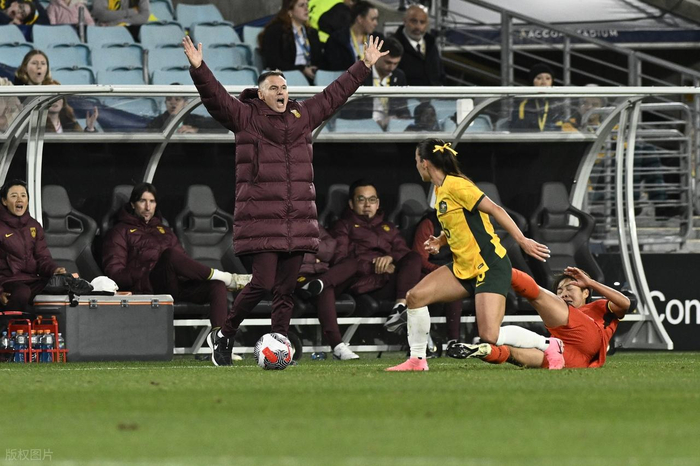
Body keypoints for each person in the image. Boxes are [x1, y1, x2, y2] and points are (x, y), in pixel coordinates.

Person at [183, 33, 388, 366]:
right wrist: (199, 68)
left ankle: (279, 347)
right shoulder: (245, 117)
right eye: (274, 88)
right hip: (262, 220)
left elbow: (334, 94)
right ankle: (224, 334)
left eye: (284, 87)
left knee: (285, 291)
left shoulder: (303, 115)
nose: (281, 92)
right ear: (261, 93)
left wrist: (364, 65)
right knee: (262, 283)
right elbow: (216, 98)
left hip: (297, 220)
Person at [385, 139, 550, 371]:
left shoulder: (457, 185)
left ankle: (548, 344)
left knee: (490, 336)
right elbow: (459, 225)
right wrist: (440, 240)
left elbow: (495, 209)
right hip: (463, 266)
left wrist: (522, 240)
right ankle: (417, 361)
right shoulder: (440, 189)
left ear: (424, 163)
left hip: (489, 265)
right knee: (414, 297)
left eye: (416, 161)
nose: (416, 166)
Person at [101, 183, 251, 357]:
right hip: (148, 286)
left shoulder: (164, 231)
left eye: (152, 201)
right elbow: (115, 273)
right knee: (170, 255)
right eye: (142, 201)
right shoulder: (119, 232)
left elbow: (183, 261)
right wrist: (146, 270)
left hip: (173, 284)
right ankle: (228, 278)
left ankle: (220, 345)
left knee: (216, 286)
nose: (148, 207)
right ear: (133, 204)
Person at [449, 267, 633, 369]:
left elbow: (625, 303)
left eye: (570, 288)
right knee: (514, 354)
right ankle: (485, 350)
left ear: (586, 292)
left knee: (536, 296)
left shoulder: (598, 306)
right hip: (577, 361)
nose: (564, 293)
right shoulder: (561, 316)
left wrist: (591, 282)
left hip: (589, 337)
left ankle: (503, 271)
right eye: (559, 291)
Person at [330, 179, 422, 327]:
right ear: (351, 204)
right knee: (418, 285)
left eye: (372, 200)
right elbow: (340, 261)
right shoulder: (343, 226)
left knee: (416, 260)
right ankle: (402, 312)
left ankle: (400, 307)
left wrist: (390, 258)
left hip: (392, 278)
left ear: (377, 204)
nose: (367, 205)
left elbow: (404, 252)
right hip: (367, 282)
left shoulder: (389, 227)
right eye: (361, 200)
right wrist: (376, 267)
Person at [0, 179, 66, 311]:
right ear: (4, 201)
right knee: (23, 292)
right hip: (7, 281)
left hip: (32, 280)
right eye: (14, 196)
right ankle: (10, 323)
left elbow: (43, 258)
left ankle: (49, 323)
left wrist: (55, 270)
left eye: (23, 195)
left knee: (61, 286)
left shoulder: (34, 226)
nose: (19, 199)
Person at [297, 226, 360, 360]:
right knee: (326, 289)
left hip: (322, 274)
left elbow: (329, 251)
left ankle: (320, 283)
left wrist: (307, 246)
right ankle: (337, 346)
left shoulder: (313, 225)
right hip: (299, 276)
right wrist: (315, 250)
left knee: (352, 263)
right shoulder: (281, 227)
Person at [411, 209, 463, 346]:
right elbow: (420, 259)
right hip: (431, 271)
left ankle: (478, 338)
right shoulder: (429, 223)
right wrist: (443, 271)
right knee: (453, 285)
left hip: (458, 270)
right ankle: (453, 340)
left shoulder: (464, 222)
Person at [339, 36, 410, 130]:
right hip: (363, 127)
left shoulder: (399, 76)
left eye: (395, 63)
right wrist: (371, 123)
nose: (391, 68)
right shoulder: (360, 73)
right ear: (378, 55)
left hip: (390, 128)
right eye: (388, 62)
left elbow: (403, 108)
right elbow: (349, 109)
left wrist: (397, 119)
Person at [259, 0, 323, 85]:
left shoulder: (312, 33)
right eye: (301, 5)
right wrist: (302, 69)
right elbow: (273, 61)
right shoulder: (275, 31)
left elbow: (318, 59)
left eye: (307, 5)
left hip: (310, 78)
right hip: (286, 77)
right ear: (289, 10)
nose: (306, 9)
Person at [393, 4, 444, 86]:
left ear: (427, 24)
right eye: (414, 21)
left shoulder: (431, 44)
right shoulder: (394, 44)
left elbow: (440, 73)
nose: (418, 27)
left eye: (422, 22)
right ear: (404, 21)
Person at [509, 63, 566, 132]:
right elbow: (515, 130)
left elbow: (560, 128)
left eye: (548, 78)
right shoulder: (521, 103)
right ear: (532, 81)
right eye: (539, 78)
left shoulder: (557, 104)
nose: (544, 82)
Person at [323, 1, 379, 71]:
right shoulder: (337, 40)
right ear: (360, 19)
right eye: (373, 19)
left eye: (377, 19)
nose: (376, 23)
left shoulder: (378, 40)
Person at [146, 88, 225, 133]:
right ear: (165, 103)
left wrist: (197, 130)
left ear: (186, 103)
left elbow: (222, 126)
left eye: (177, 99)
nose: (173, 103)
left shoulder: (195, 119)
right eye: (169, 99)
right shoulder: (157, 121)